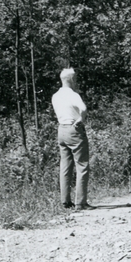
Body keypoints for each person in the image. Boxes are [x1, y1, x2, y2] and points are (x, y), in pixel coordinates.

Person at [51, 67, 90, 210]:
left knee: (65, 166)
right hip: (74, 130)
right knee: (82, 165)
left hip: (61, 129)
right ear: (72, 80)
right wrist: (81, 120)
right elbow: (84, 108)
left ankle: (65, 201)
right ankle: (80, 202)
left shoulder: (56, 96)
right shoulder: (73, 95)